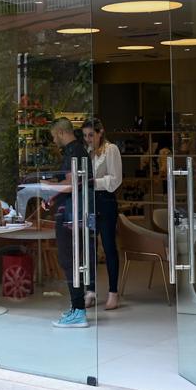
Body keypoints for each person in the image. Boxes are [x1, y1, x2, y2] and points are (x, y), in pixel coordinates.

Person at [48, 117, 92, 328]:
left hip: (71, 215)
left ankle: (79, 311)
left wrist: (48, 187)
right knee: (72, 260)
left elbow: (72, 183)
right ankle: (77, 307)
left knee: (69, 260)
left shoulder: (75, 152)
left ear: (61, 132)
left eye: (54, 136)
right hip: (72, 213)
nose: (53, 140)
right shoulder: (77, 150)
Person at [83, 116, 122, 310]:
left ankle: (113, 292)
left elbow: (115, 180)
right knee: (89, 247)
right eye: (85, 135)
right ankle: (90, 291)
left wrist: (93, 182)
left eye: (91, 135)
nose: (88, 139)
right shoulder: (87, 152)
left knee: (108, 246)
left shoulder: (111, 150)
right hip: (90, 202)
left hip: (106, 201)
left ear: (101, 133)